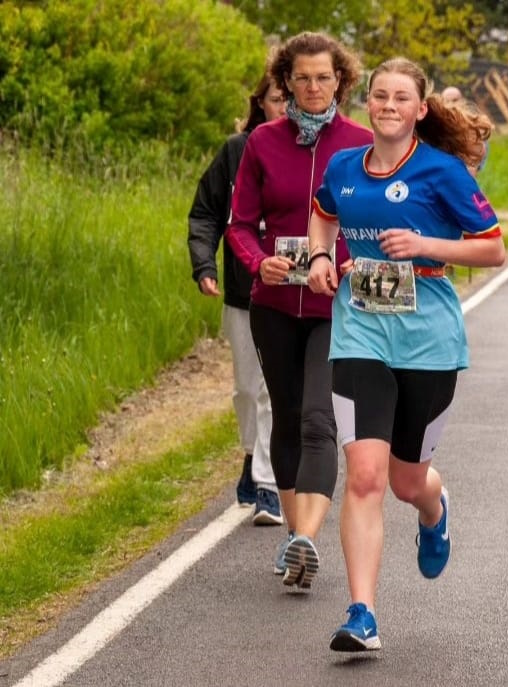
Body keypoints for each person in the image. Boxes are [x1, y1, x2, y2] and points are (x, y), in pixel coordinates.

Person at [306, 57, 505, 652]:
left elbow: (492, 249)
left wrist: (423, 244)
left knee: (404, 481)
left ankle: (434, 506)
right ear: (367, 103)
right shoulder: (343, 166)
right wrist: (321, 258)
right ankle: (361, 613)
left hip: (428, 340)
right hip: (360, 333)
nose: (389, 105)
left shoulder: (443, 173)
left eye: (401, 98)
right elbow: (323, 215)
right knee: (363, 475)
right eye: (379, 96)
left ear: (420, 109)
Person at [226, 31, 373, 588]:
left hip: (337, 304)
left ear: (341, 80)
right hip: (274, 304)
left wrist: (359, 261)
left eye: (324, 77)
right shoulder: (261, 142)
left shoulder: (360, 142)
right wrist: (256, 260)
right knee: (286, 417)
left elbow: (375, 221)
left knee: (318, 417)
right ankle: (295, 537)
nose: (314, 87)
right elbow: (239, 224)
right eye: (303, 77)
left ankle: (307, 534)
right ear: (285, 81)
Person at [187, 69, 287, 526]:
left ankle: (267, 486)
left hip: (289, 297)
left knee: (270, 392)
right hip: (241, 294)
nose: (284, 106)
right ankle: (252, 456)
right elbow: (206, 213)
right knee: (247, 390)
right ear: (260, 104)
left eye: (290, 98)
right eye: (276, 98)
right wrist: (204, 265)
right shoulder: (236, 151)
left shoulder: (309, 155)